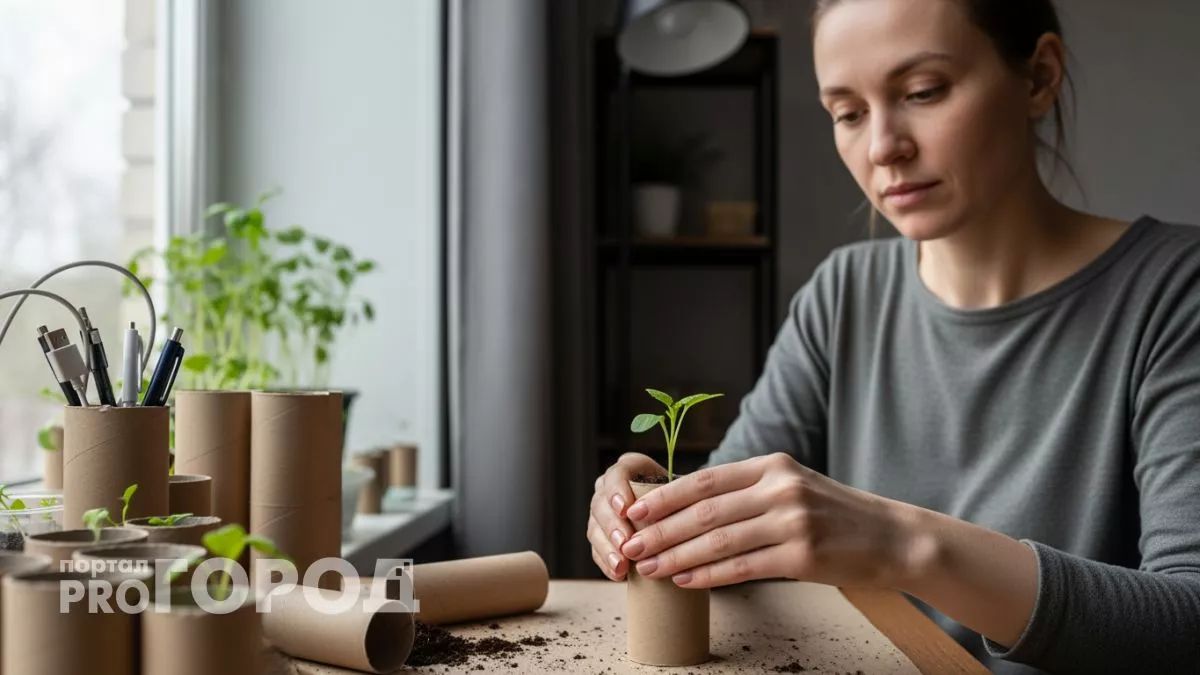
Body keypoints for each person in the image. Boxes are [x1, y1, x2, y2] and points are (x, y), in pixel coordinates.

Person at [586, 1, 1200, 673]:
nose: (883, 147)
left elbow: (1186, 622)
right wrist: (655, 511)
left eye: (922, 92)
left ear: (1039, 77)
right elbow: (729, 533)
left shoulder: (1174, 292)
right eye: (847, 113)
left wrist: (900, 545)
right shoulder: (843, 293)